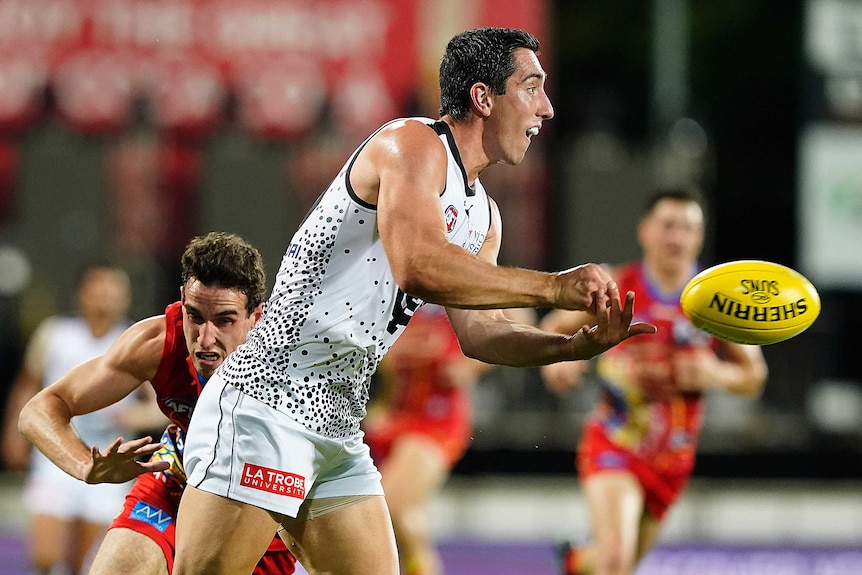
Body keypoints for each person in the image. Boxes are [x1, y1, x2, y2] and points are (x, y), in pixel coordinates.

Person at [171, 27, 657, 575]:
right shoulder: (411, 145)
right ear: (483, 97)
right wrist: (553, 286)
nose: (546, 107)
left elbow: (482, 336)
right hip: (270, 404)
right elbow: (418, 266)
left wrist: (573, 346)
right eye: (532, 87)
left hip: (338, 423)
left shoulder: (484, 216)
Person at [16, 232, 297, 575]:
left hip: (257, 501)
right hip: (174, 481)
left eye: (224, 320)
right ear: (181, 300)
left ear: (256, 315)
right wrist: (83, 467)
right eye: (195, 316)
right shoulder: (157, 341)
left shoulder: (290, 363)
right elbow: (39, 409)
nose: (205, 339)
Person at [540, 188, 769, 575]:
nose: (677, 237)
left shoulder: (715, 301)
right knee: (615, 561)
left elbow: (754, 376)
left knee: (617, 564)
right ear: (645, 231)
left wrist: (716, 374)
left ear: (700, 237)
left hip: (673, 459)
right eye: (668, 226)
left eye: (688, 229)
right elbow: (553, 327)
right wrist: (556, 363)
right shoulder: (617, 285)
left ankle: (575, 560)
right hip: (615, 442)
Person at [0, 262, 160, 575]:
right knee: (45, 556)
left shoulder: (134, 342)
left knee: (87, 563)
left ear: (126, 298)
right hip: (56, 453)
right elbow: (27, 386)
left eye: (113, 290)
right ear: (81, 294)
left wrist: (132, 415)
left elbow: (158, 406)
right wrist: (13, 434)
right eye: (98, 288)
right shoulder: (55, 334)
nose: (105, 297)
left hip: (107, 457)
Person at [363, 303, 512, 575]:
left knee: (393, 505)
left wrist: (472, 366)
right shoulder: (402, 296)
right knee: (405, 514)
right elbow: (390, 363)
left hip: (437, 422)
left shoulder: (459, 292)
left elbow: (516, 321)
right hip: (398, 419)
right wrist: (384, 405)